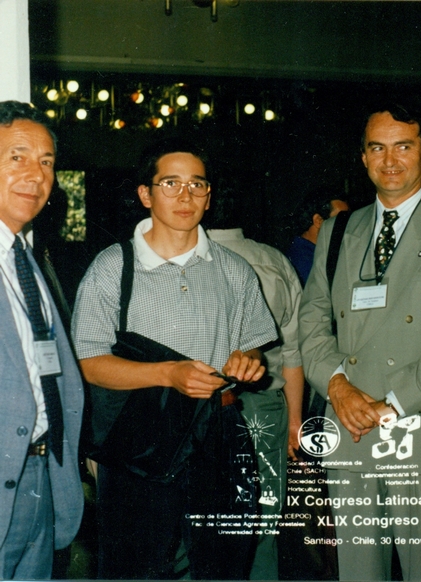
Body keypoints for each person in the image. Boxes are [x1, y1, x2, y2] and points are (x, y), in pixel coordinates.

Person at [298, 102, 421, 581]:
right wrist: (338, 388)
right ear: (363, 156)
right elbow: (312, 319)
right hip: (349, 430)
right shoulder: (338, 231)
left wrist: (390, 404)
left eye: (403, 147)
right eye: (377, 148)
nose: (390, 160)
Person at [71, 138, 278, 579]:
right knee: (136, 569)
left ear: (209, 195)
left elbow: (253, 344)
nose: (186, 196)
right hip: (141, 435)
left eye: (197, 185)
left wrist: (248, 360)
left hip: (220, 429)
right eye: (171, 183)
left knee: (225, 565)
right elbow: (88, 361)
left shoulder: (233, 268)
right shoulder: (112, 266)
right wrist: (169, 373)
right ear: (145, 194)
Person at [0, 101, 84, 580]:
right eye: (17, 157)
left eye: (46, 161)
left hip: (40, 480)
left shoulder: (25, 259)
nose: (36, 174)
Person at [206, 194, 304, 581]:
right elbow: (294, 351)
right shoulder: (274, 260)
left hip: (202, 407)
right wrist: (295, 421)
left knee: (203, 523)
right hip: (267, 407)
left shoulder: (186, 261)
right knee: (264, 521)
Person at [287, 189, 349, 285]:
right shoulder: (303, 260)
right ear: (318, 220)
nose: (347, 225)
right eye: (341, 220)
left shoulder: (314, 252)